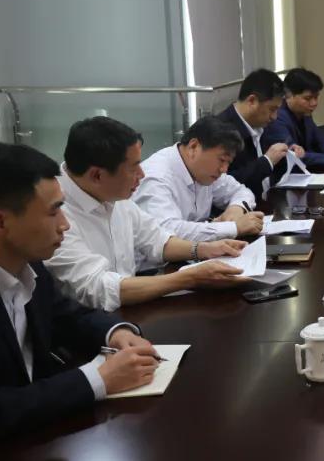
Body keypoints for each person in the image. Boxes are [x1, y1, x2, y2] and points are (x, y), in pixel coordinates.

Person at [0, 143, 160, 451]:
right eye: (53, 211)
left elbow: (66, 316)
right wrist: (98, 379)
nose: (65, 225)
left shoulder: (27, 263)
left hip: (39, 443)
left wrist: (116, 332)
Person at [44, 117, 252, 312]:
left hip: (129, 308)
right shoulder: (53, 214)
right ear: (97, 175)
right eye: (133, 168)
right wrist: (190, 278)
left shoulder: (113, 193)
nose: (142, 174)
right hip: (86, 323)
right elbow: (98, 289)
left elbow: (157, 240)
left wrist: (205, 249)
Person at [134, 115, 265, 242]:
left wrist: (236, 208)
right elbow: (167, 233)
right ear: (193, 147)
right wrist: (233, 228)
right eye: (222, 160)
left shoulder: (205, 170)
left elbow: (241, 191)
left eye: (228, 163)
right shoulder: (156, 177)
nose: (224, 169)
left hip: (197, 253)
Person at [262, 67, 324, 169]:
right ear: (289, 95)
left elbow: (319, 137)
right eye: (307, 98)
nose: (314, 103)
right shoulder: (276, 117)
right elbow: (292, 155)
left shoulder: (304, 111)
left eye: (316, 97)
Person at [218, 68, 291, 200]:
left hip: (268, 201)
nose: (274, 117)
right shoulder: (221, 130)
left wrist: (284, 156)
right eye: (272, 109)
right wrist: (267, 161)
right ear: (252, 101)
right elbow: (220, 185)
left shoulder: (262, 124)